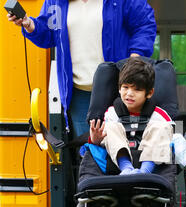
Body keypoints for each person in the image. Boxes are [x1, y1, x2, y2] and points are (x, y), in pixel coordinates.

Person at [88, 57, 186, 207]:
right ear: (118, 89)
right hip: (118, 165)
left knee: (164, 130)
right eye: (125, 88)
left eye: (136, 89)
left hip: (149, 167)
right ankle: (126, 173)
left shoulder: (159, 115)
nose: (129, 94)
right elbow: (104, 141)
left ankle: (142, 177)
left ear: (149, 93)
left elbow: (177, 143)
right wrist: (96, 139)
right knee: (109, 129)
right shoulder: (112, 113)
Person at [7, 0, 157, 137]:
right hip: (80, 94)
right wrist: (28, 24)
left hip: (120, 90)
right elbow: (48, 34)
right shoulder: (56, 2)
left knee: (124, 146)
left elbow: (144, 24)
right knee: (89, 152)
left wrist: (134, 59)